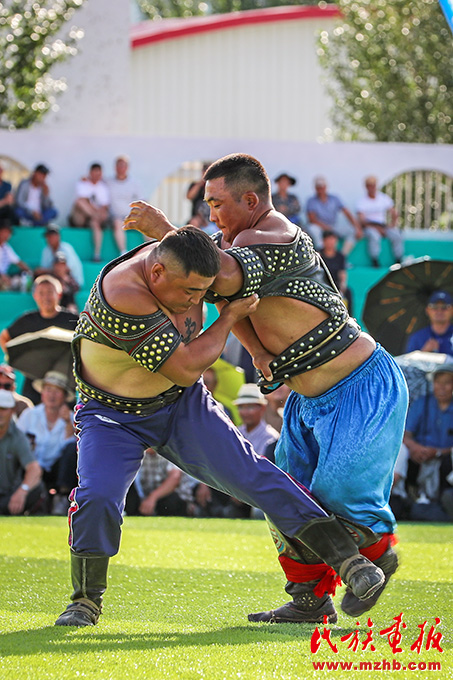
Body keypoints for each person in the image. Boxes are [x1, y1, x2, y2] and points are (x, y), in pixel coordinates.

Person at [126, 153, 409, 624]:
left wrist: (166, 232)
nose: (210, 212)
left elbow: (226, 278)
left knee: (337, 492)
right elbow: (228, 297)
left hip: (362, 386)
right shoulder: (231, 242)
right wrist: (258, 353)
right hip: (306, 398)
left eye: (216, 202)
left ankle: (380, 553)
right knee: (284, 496)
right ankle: (309, 600)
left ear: (250, 199)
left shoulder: (277, 236)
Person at [55, 225, 385, 627]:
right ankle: (86, 600)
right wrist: (228, 316)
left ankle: (348, 563)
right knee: (99, 495)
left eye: (203, 291)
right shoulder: (125, 292)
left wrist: (256, 343)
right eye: (190, 293)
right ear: (156, 274)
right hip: (112, 413)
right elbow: (186, 366)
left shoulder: (184, 259)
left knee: (255, 475)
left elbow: (200, 258)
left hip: (179, 403)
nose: (198, 300)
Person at [0, 275, 79, 403]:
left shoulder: (71, 319)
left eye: (49, 292)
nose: (45, 297)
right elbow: (4, 337)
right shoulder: (27, 320)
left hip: (64, 383)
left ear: (59, 294)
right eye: (41, 293)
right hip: (33, 381)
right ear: (34, 296)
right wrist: (17, 359)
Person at [400, 363, 453, 522]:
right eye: (438, 382)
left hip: (446, 459)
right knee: (402, 451)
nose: (441, 387)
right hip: (419, 456)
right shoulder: (422, 403)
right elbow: (405, 433)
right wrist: (416, 447)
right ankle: (405, 498)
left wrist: (437, 452)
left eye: (447, 383)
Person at [17, 370, 75, 505]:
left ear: (64, 396)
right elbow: (18, 441)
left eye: (57, 391)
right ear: (42, 393)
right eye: (48, 390)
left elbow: (70, 450)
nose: (52, 395)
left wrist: (68, 424)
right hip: (31, 466)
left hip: (56, 469)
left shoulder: (72, 418)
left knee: (73, 449)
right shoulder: (29, 414)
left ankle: (61, 497)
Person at [0, 388, 44, 515]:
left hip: (7, 494)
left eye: (4, 409)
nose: (0, 413)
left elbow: (34, 469)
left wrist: (22, 491)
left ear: (12, 411)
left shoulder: (18, 437)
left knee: (37, 488)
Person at [129, 447, 196, 517]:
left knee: (170, 502)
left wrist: (152, 497)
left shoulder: (169, 453)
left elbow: (175, 478)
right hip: (147, 499)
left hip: (176, 499)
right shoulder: (141, 455)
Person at [306, 176, 361, 255]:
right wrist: (326, 227)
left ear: (326, 187)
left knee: (353, 231)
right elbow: (312, 219)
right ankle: (322, 256)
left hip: (333, 225)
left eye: (322, 187)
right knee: (313, 229)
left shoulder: (334, 198)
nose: (320, 189)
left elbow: (347, 213)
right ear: (315, 188)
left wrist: (357, 227)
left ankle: (342, 257)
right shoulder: (311, 201)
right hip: (320, 227)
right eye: (318, 187)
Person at [356, 175, 403, 267]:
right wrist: (377, 228)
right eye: (369, 185)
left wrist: (392, 224)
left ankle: (398, 259)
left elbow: (394, 212)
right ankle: (375, 260)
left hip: (383, 226)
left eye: (373, 185)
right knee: (374, 236)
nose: (372, 187)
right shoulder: (362, 201)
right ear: (366, 187)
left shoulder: (383, 198)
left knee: (397, 235)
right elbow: (362, 220)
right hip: (369, 226)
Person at [68, 163, 110, 262]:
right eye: (94, 173)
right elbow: (82, 200)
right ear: (90, 173)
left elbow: (105, 205)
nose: (96, 176)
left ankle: (97, 254)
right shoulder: (82, 183)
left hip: (93, 219)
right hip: (80, 217)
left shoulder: (103, 187)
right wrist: (95, 212)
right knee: (80, 202)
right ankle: (95, 217)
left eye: (98, 173)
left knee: (96, 224)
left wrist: (98, 213)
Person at [106, 155, 142, 256]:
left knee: (145, 223)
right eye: (119, 165)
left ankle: (154, 248)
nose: (121, 168)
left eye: (123, 166)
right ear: (115, 167)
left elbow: (142, 201)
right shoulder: (108, 182)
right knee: (118, 223)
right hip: (114, 217)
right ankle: (123, 252)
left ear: (127, 167)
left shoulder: (135, 183)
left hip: (131, 216)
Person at [405, 291, 453, 357]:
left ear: (452, 310)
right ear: (427, 310)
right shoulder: (417, 338)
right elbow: (406, 364)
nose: (439, 311)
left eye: (445, 307)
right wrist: (423, 352)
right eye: (434, 307)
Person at [37, 224, 84, 288]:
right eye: (47, 236)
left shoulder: (66, 248)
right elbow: (43, 268)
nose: (49, 239)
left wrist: (49, 270)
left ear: (58, 236)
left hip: (73, 281)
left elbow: (66, 269)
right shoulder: (46, 250)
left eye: (51, 236)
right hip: (56, 278)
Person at [320, 230, 353, 315]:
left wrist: (343, 284)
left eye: (333, 240)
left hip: (335, 285)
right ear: (324, 241)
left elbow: (342, 272)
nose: (331, 242)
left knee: (348, 292)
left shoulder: (340, 256)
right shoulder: (318, 255)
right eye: (329, 240)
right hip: (322, 284)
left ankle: (350, 317)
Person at [0, 219, 33, 291]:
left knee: (21, 280)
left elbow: (18, 262)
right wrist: (2, 276)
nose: (8, 235)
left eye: (9, 233)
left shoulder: (6, 247)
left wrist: (30, 272)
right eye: (5, 232)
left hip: (4, 278)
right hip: (2, 278)